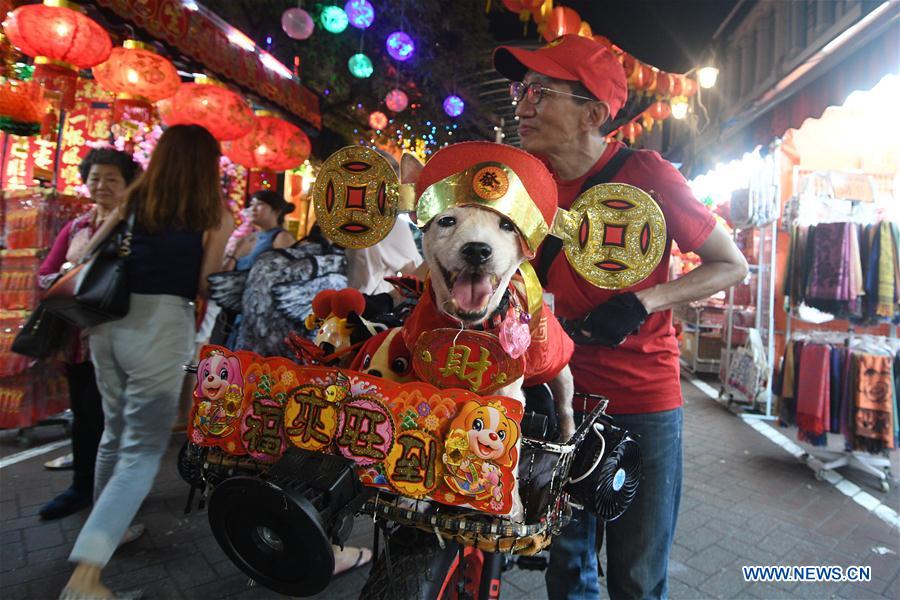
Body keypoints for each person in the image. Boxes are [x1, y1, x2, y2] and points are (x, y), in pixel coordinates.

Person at [493, 35, 748, 599]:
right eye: (520, 89)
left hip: (642, 403)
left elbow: (731, 264)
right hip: (552, 403)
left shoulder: (649, 175)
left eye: (539, 91)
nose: (522, 104)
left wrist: (642, 302)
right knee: (566, 568)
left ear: (593, 112)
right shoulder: (522, 185)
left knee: (635, 575)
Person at [61, 125, 234, 599]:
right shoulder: (214, 212)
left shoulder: (136, 199)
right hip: (159, 326)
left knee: (115, 433)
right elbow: (205, 284)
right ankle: (86, 576)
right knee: (141, 449)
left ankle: (112, 526)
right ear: (208, 163)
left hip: (107, 320)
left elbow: (90, 253)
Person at [36, 148, 141, 520]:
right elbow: (45, 273)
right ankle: (82, 487)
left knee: (113, 418)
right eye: (95, 178)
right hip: (77, 341)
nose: (101, 185)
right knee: (84, 415)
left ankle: (117, 491)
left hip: (120, 339)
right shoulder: (77, 227)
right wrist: (70, 276)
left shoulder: (135, 228)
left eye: (112, 179)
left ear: (129, 184)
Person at [223, 189, 296, 271]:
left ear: (277, 211)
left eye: (259, 204)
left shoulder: (282, 237)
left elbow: (283, 272)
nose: (253, 209)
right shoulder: (251, 236)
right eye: (251, 204)